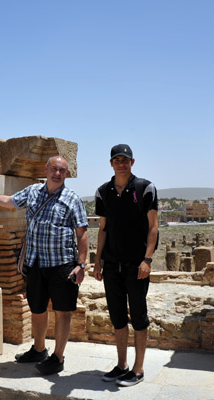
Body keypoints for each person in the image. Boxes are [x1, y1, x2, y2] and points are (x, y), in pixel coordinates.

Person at [0, 155, 88, 375]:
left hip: (62, 265)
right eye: (54, 169)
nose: (57, 173)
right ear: (46, 169)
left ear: (67, 174)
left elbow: (82, 233)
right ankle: (39, 349)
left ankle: (58, 357)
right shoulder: (33, 191)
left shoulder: (72, 199)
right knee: (37, 308)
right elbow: (8, 202)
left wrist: (81, 264)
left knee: (63, 311)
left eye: (62, 170)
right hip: (36, 263)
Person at [93, 144, 158, 387]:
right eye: (117, 160)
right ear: (111, 163)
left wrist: (147, 259)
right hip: (111, 265)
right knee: (117, 317)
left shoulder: (145, 188)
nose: (121, 163)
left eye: (126, 160)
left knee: (139, 317)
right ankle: (121, 365)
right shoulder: (103, 191)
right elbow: (103, 229)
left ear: (132, 162)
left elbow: (153, 226)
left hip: (136, 264)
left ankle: (138, 369)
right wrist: (97, 261)